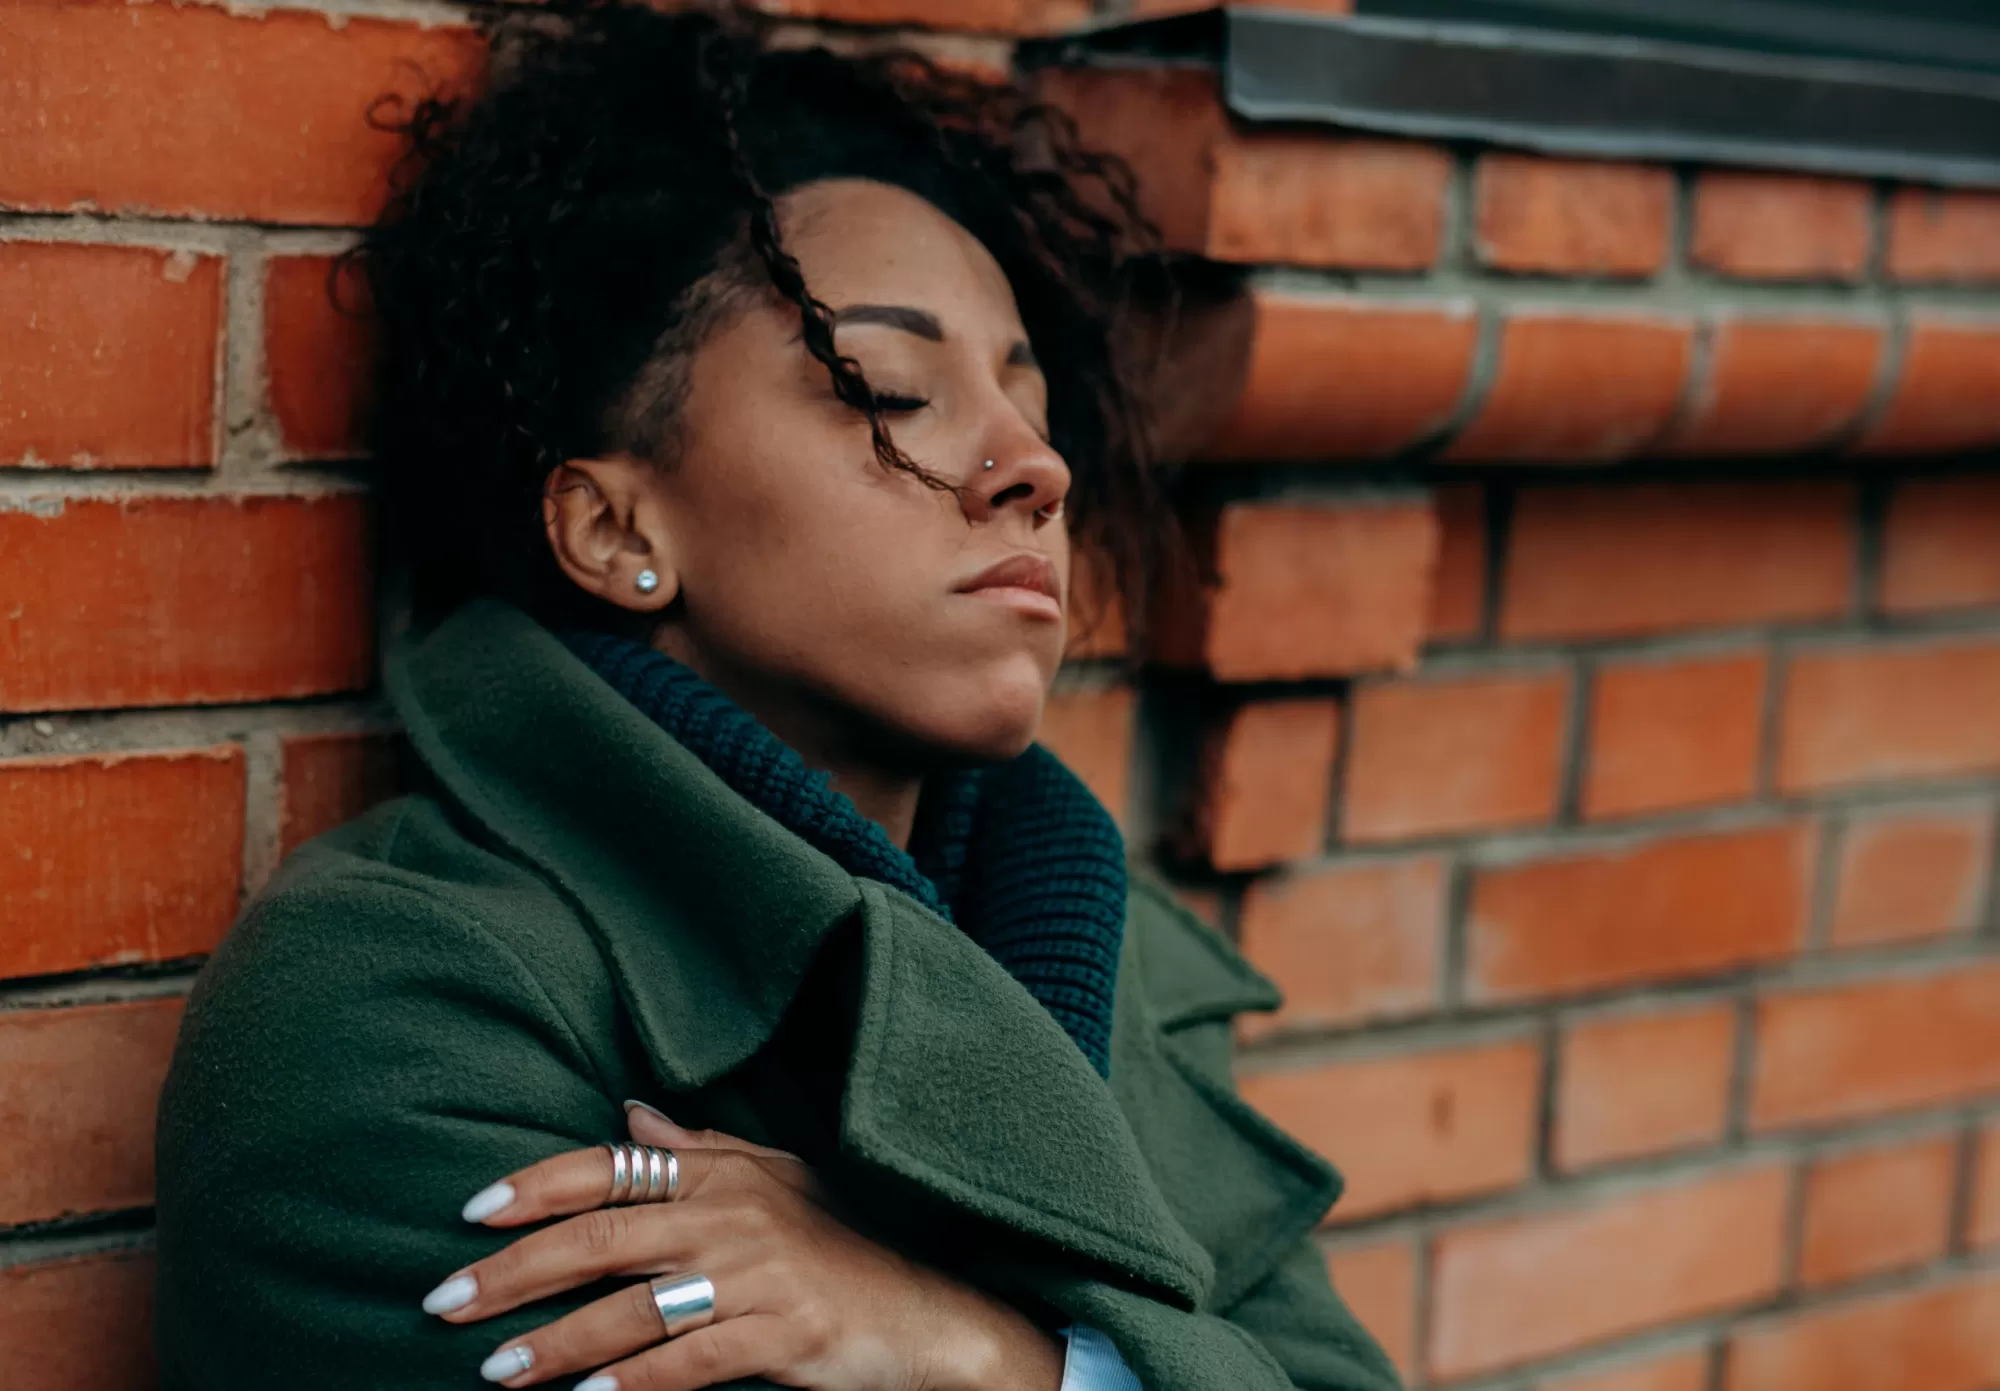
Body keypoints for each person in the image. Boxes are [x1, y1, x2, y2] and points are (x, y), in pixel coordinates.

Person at [152, 5, 1401, 1389]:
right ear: (617, 529)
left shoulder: (1120, 965)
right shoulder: (399, 1005)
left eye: (1024, 393)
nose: (1032, 465)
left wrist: (976, 1346)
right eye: (888, 388)